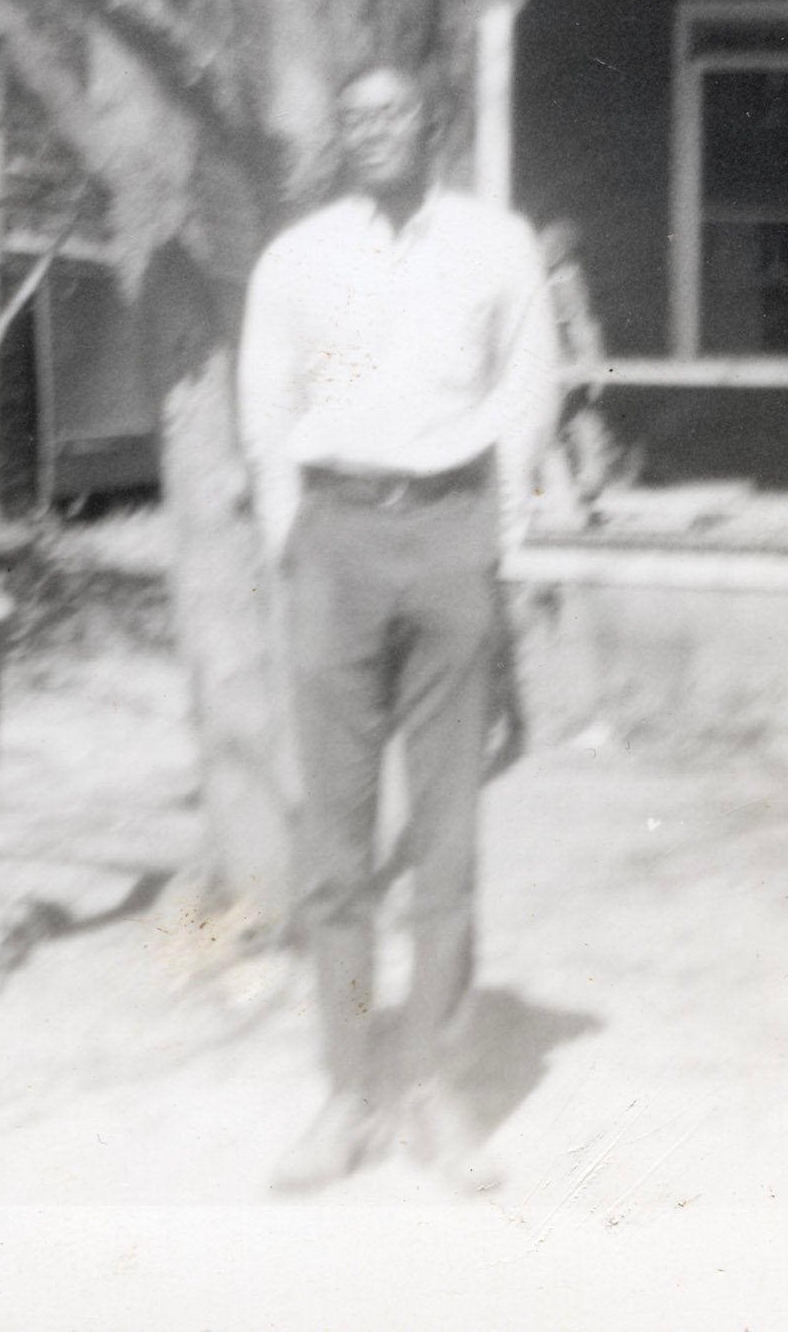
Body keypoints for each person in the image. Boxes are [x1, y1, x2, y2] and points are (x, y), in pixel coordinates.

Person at [238, 63, 561, 1196]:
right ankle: (342, 1092)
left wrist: (495, 546)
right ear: (341, 133)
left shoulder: (496, 245)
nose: (377, 129)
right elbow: (265, 406)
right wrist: (294, 542)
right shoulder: (298, 256)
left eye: (397, 113)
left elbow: (528, 397)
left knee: (444, 837)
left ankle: (430, 1085)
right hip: (333, 537)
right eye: (357, 114)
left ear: (435, 125)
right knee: (333, 837)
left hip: (449, 535)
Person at [537, 219, 628, 520]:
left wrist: (590, 364)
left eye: (549, 247)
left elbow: (581, 324)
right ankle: (584, 490)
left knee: (560, 430)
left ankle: (578, 493)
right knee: (576, 426)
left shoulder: (565, 280)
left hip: (567, 368)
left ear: (562, 252)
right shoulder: (555, 280)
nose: (541, 251)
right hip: (560, 367)